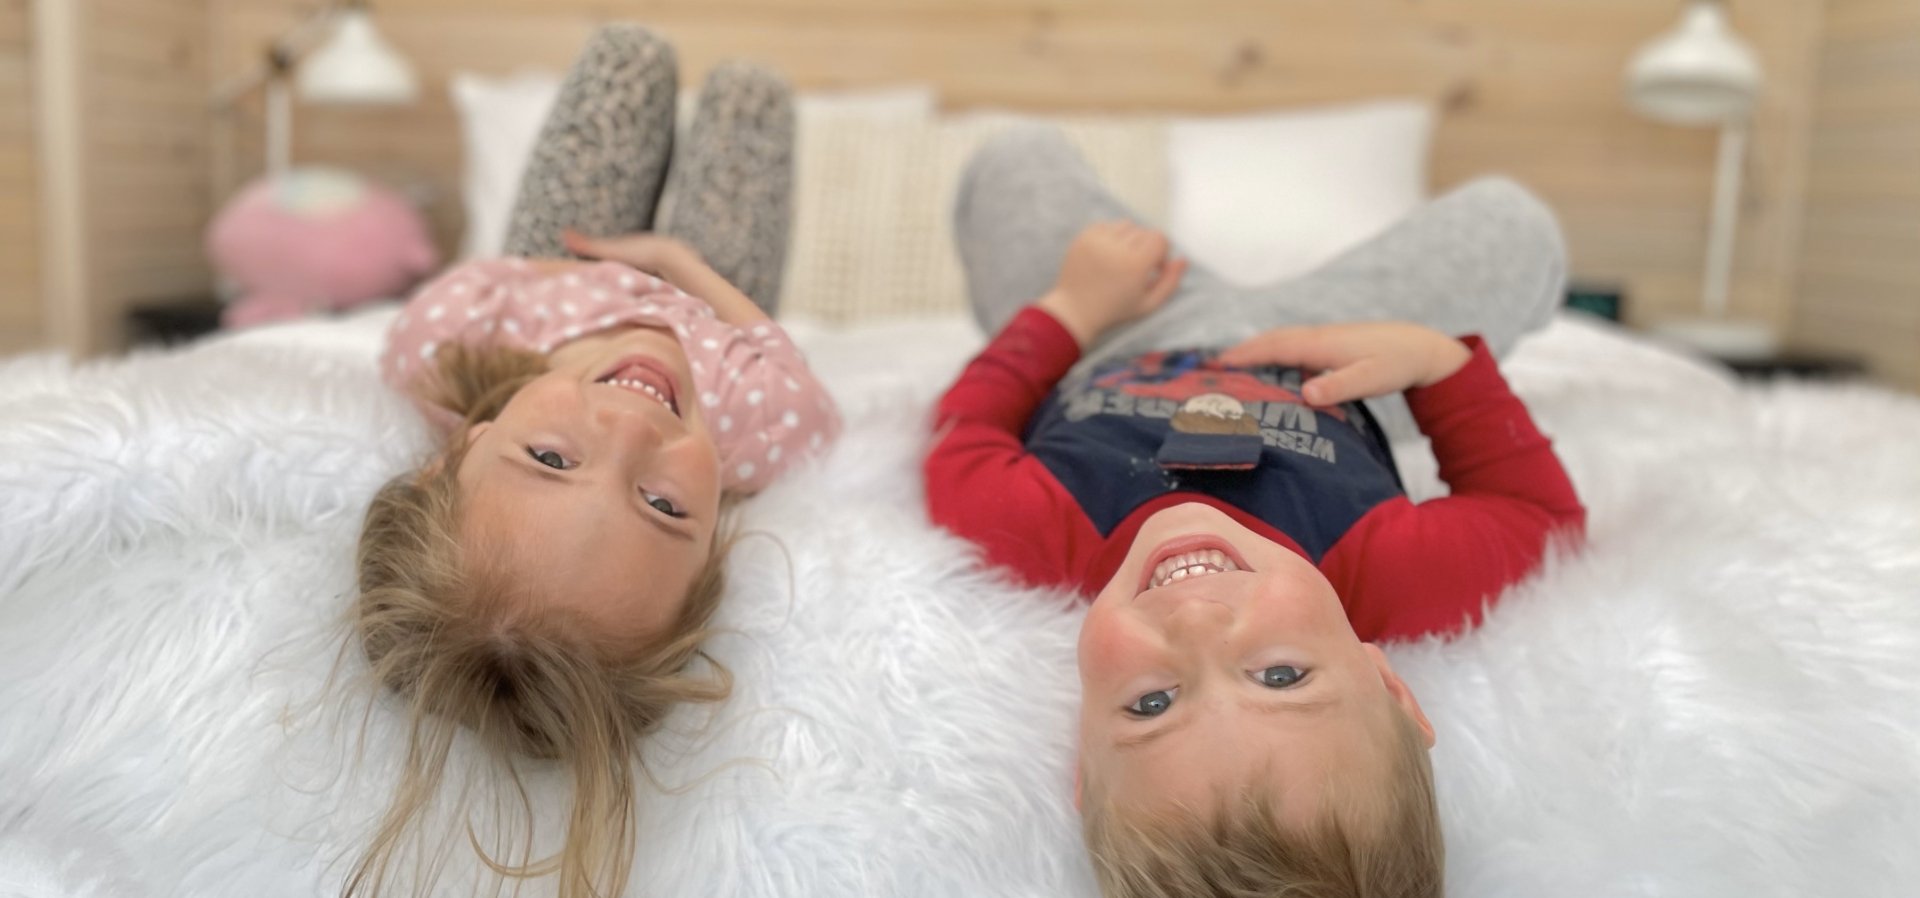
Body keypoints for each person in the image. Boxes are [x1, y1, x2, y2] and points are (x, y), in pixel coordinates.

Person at [926, 126, 1586, 896]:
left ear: (1082, 763)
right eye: (1280, 675)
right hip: (1336, 350)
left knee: (1015, 160)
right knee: (1514, 224)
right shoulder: (1381, 566)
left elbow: (962, 432)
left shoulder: (1043, 530)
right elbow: (1539, 517)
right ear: (1390, 689)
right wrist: (1435, 367)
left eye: (1150, 703)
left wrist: (1067, 308)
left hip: (1119, 328)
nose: (1198, 624)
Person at [348, 25, 837, 898]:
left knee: (628, 56)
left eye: (548, 455)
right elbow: (782, 363)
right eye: (663, 505)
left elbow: (464, 285)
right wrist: (676, 268)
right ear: (711, 553)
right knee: (750, 94)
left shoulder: (448, 352)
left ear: (463, 445)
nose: (632, 427)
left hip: (557, 257)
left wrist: (554, 271)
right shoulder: (757, 421)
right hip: (704, 286)